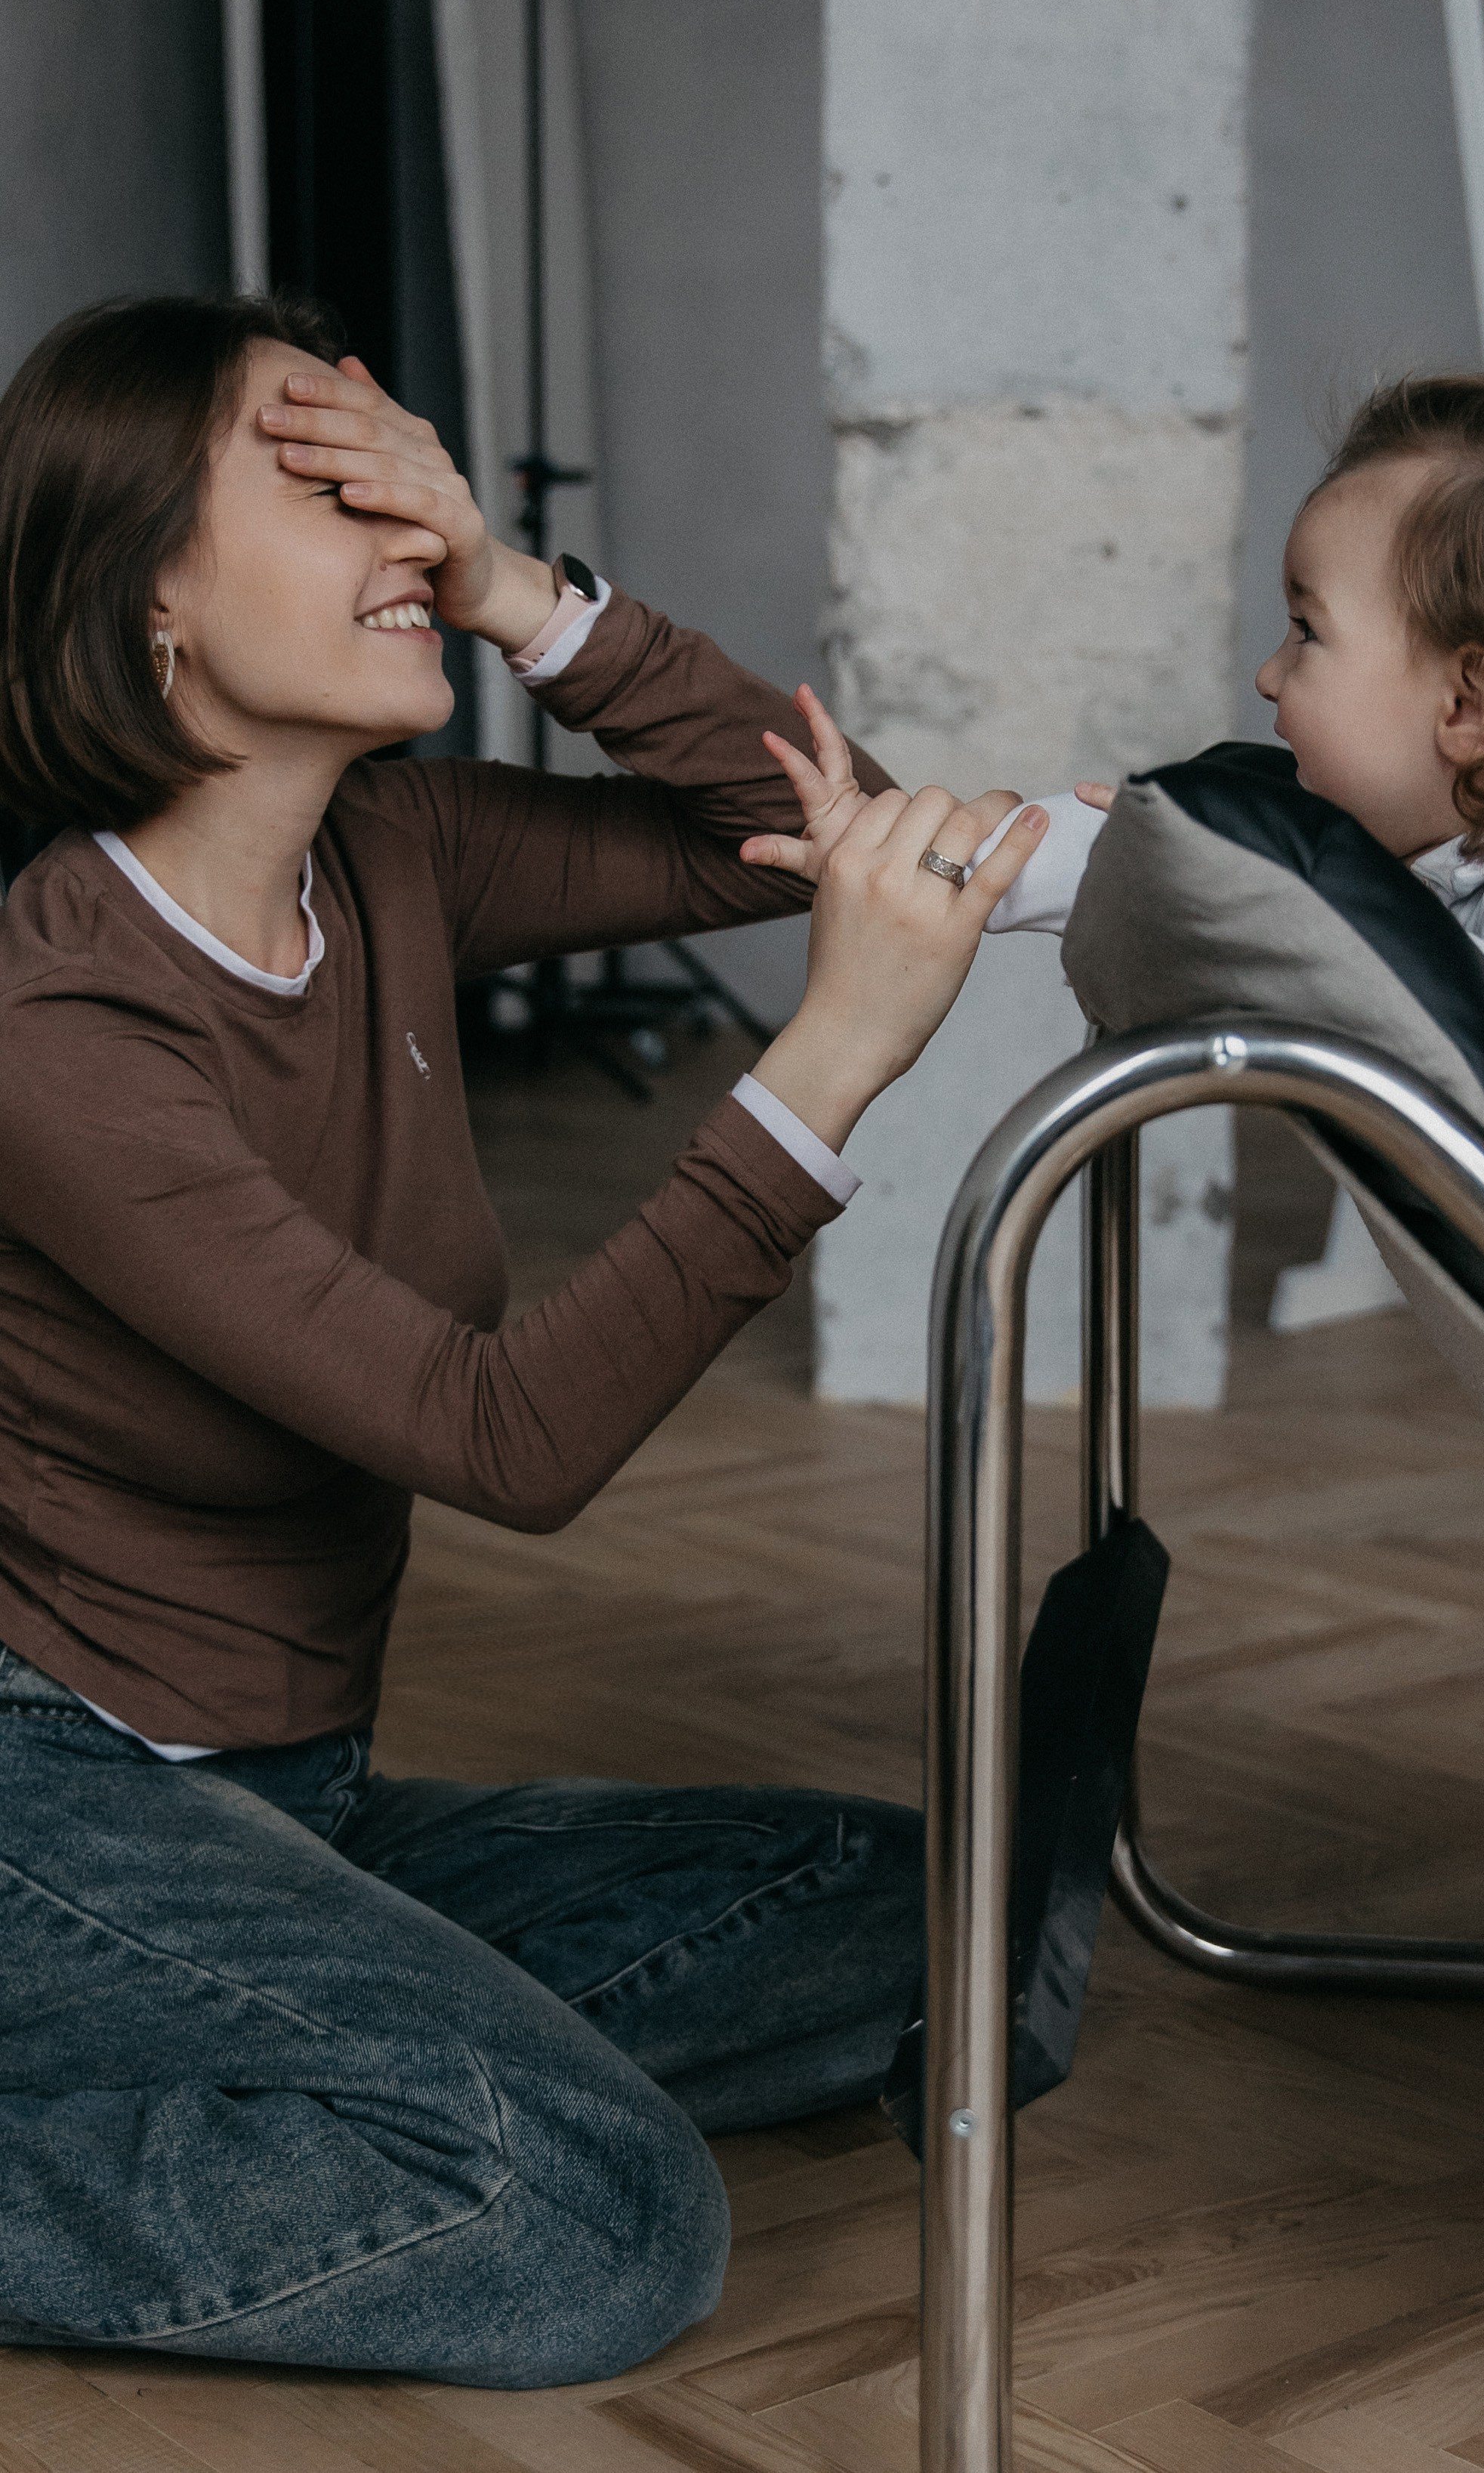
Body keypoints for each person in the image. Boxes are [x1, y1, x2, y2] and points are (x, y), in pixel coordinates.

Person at [0, 292, 1049, 2388]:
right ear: (146, 602)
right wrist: (829, 1065)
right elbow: (506, 1440)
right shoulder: (59, 1020)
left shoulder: (389, 852)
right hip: (51, 1793)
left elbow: (796, 818)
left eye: (404, 477)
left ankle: (360, 2061)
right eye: (326, 486)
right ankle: (405, 2093)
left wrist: (514, 589)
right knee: (594, 2219)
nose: (404, 522)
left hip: (290, 1793)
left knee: (958, 1922)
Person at [758, 304, 1484, 1166]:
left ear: (1468, 707)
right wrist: (909, 857)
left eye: (1307, 633)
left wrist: (1278, 912)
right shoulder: (1420, 845)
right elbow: (1091, 856)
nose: (1267, 674)